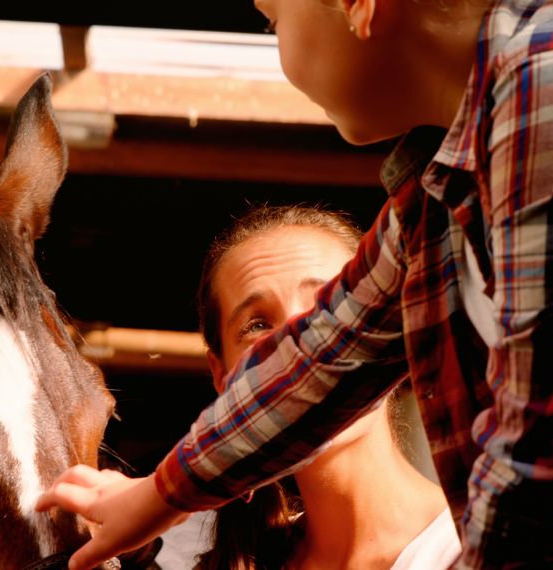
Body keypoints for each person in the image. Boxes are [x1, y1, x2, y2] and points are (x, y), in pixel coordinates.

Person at [36, 0, 553, 566]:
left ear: (361, 6)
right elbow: (326, 354)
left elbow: (548, 467)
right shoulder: (445, 183)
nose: (274, 36)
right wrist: (157, 496)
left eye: (273, 18)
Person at [194, 205, 459, 569]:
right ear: (222, 376)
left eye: (328, 309)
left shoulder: (490, 548)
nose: (297, 344)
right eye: (257, 325)